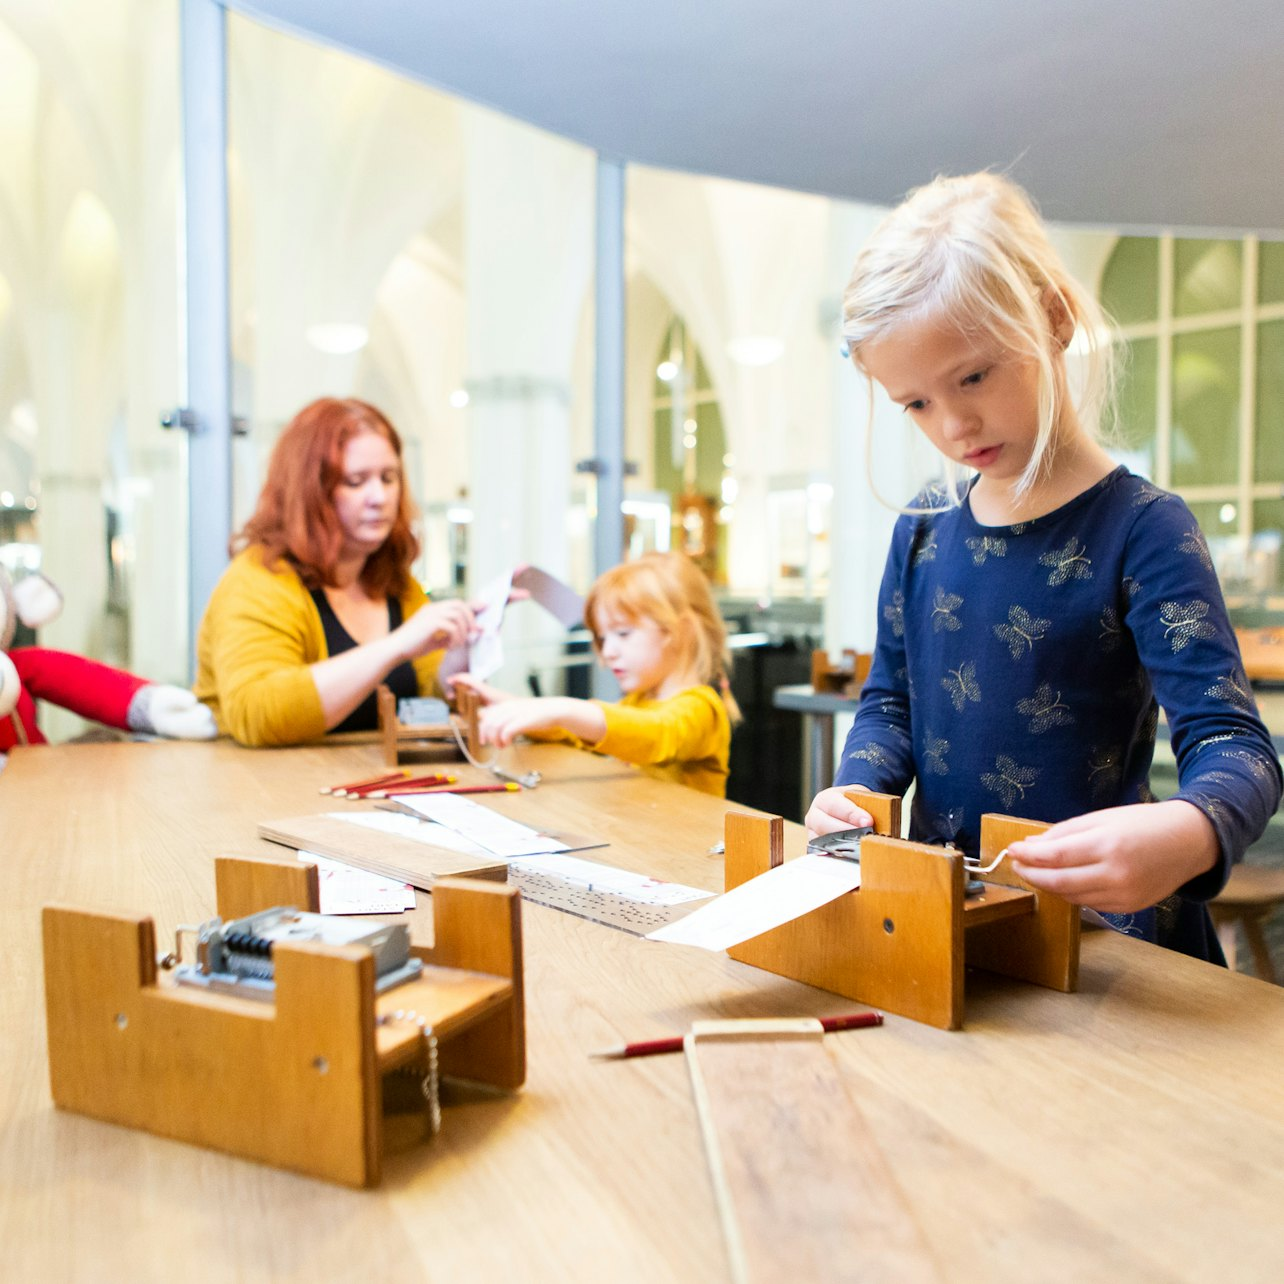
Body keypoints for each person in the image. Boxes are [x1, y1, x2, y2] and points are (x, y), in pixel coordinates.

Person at [806, 171, 1281, 962]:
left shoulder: (1143, 528)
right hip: (952, 925)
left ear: (1053, 320)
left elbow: (1235, 745)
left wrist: (1190, 831)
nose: (953, 423)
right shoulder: (923, 528)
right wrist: (859, 791)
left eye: (974, 376)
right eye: (916, 403)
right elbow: (891, 705)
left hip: (1106, 942)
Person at [194, 397, 474, 746]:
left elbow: (428, 697)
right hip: (263, 791)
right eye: (356, 481)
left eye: (388, 478)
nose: (379, 497)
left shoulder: (398, 585)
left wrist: (457, 658)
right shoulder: (256, 578)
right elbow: (258, 715)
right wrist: (395, 647)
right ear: (310, 490)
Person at [455, 551, 740, 797]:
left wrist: (562, 709)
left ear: (681, 631)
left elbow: (655, 734)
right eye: (603, 638)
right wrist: (514, 706)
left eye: (623, 633)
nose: (608, 652)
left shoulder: (703, 708)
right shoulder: (639, 701)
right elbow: (581, 734)